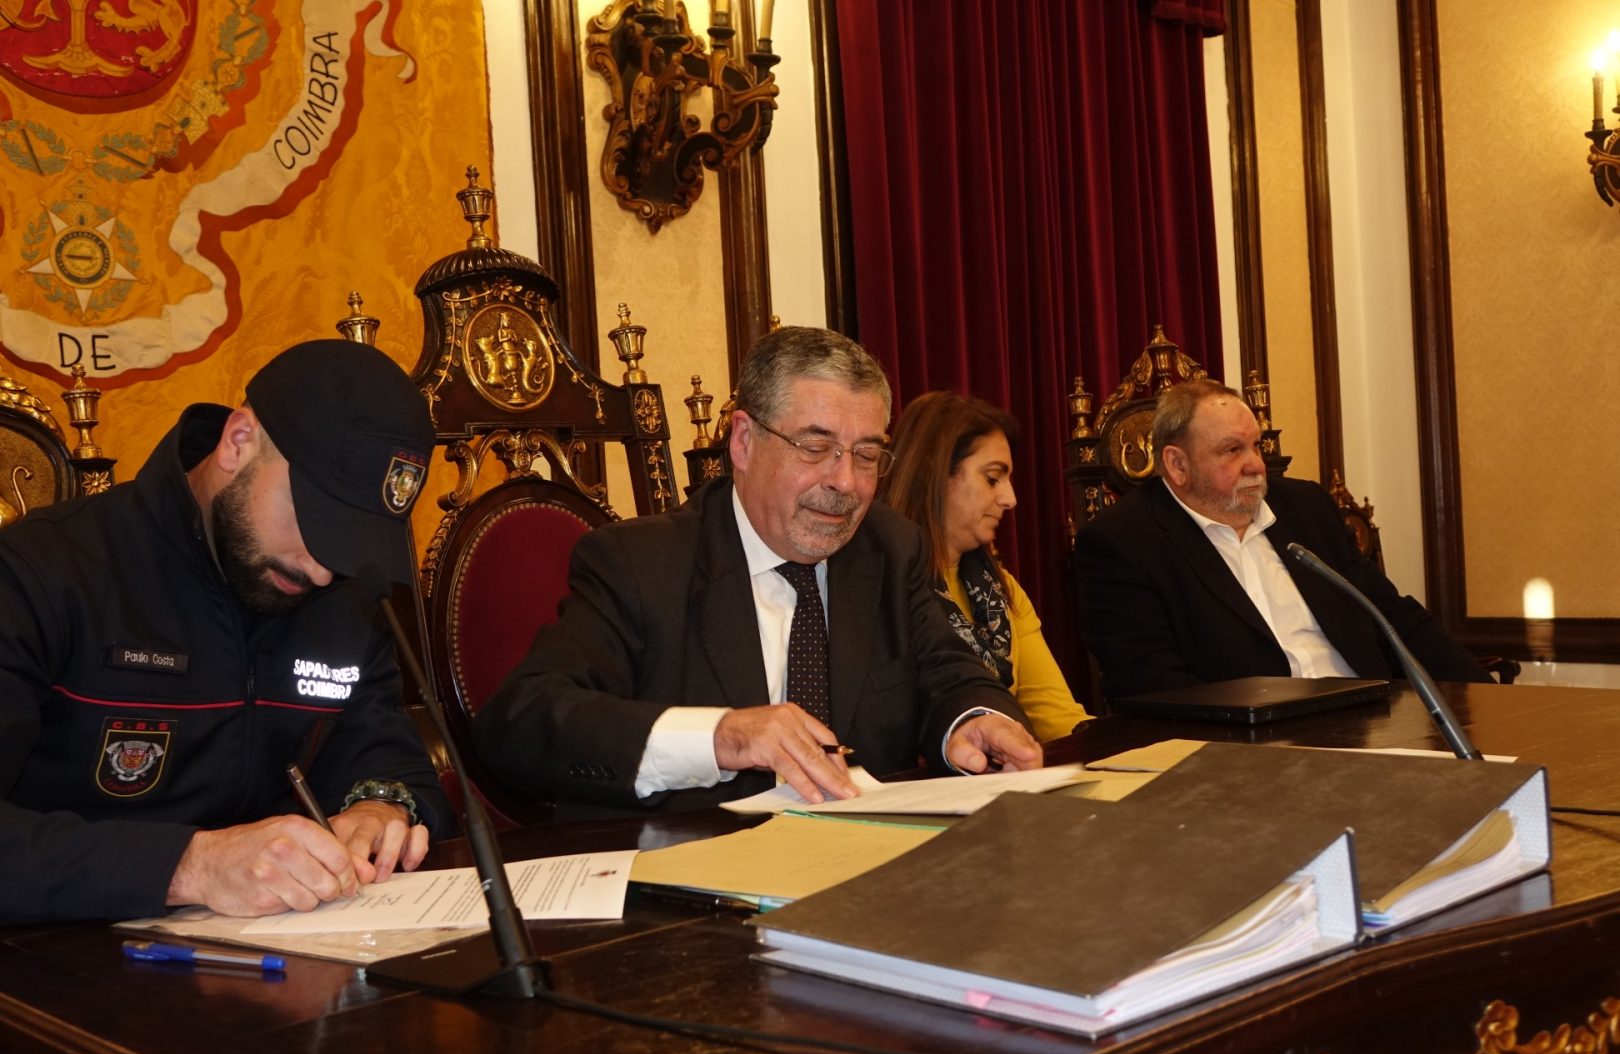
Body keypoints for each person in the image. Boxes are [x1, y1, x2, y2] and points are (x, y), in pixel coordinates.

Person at [474, 327, 1042, 815]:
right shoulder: (640, 564)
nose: (846, 482)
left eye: (867, 455)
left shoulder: (889, 549)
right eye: (815, 447)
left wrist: (974, 719)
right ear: (744, 442)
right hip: (690, 878)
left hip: (862, 871)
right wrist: (720, 737)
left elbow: (949, 675)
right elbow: (521, 722)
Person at [0, 340, 453, 924]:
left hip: (283, 949)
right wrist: (190, 866)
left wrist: (383, 806)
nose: (320, 571)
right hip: (61, 950)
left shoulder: (343, 597)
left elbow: (388, 753)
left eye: (349, 538)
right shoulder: (41, 574)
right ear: (238, 442)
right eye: (316, 522)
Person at [1073, 379, 1490, 702]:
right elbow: (1150, 684)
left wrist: (1486, 698)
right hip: (1249, 748)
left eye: (1255, 446)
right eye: (1232, 450)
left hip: (1375, 716)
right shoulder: (1121, 543)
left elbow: (1394, 618)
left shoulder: (1306, 509)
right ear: (1177, 464)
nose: (1256, 464)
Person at [880, 391, 1091, 742]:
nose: (1011, 499)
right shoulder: (879, 588)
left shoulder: (1003, 588)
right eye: (992, 478)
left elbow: (1057, 718)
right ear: (935, 474)